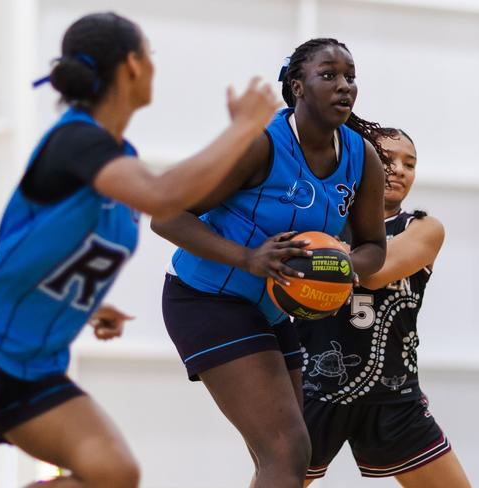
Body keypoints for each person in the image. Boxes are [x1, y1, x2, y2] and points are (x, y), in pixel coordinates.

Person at [0, 12, 279, 488]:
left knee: (113, 474)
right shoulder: (76, 139)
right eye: (151, 55)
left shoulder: (120, 159)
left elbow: (46, 254)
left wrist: (83, 303)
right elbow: (164, 197)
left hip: (34, 366)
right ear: (133, 65)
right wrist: (243, 129)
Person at [151, 38, 391, 488]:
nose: (344, 86)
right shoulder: (259, 146)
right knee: (287, 449)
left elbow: (374, 247)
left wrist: (345, 264)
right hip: (206, 297)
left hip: (272, 307)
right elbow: (165, 216)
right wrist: (249, 257)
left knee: (284, 457)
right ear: (297, 86)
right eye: (329, 75)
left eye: (350, 77)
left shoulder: (363, 158)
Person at [298, 129, 472, 488]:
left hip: (393, 394)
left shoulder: (422, 227)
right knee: (274, 479)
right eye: (387, 159)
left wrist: (321, 259)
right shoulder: (321, 220)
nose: (400, 169)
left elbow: (374, 272)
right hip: (316, 387)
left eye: (409, 163)